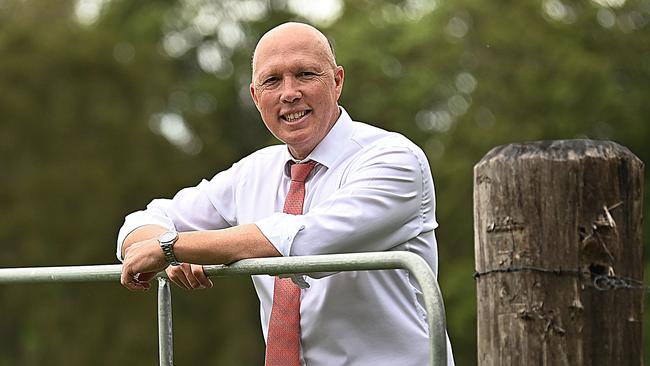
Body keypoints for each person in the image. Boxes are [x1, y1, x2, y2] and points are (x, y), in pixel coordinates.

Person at [118, 22, 454, 366]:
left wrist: (173, 248)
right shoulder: (252, 172)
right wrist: (168, 247)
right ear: (254, 95)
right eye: (272, 80)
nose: (289, 93)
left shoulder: (394, 159)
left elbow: (302, 242)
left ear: (337, 81)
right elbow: (141, 222)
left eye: (305, 74)